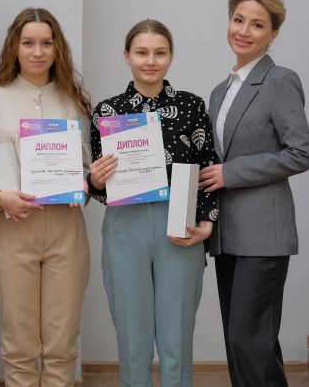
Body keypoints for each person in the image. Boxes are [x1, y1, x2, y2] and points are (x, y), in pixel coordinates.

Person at [0, 8, 91, 387]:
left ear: (57, 48)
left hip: (67, 233)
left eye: (46, 43)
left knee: (62, 344)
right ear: (14, 47)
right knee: (19, 346)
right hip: (15, 232)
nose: (38, 52)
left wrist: (85, 182)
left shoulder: (74, 101)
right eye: (28, 43)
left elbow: (88, 166)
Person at [88, 19, 218, 387]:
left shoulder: (191, 106)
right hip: (125, 224)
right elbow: (98, 184)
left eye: (160, 52)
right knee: (133, 337)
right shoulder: (107, 111)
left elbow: (208, 167)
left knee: (177, 336)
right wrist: (95, 180)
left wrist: (207, 222)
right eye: (141, 52)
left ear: (171, 56)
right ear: (126, 56)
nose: (150, 60)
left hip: (180, 221)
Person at [199, 0, 309, 387]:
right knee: (244, 343)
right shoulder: (220, 91)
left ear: (273, 34)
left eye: (257, 24)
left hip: (264, 234)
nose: (244, 31)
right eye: (238, 20)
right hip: (226, 233)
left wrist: (231, 173)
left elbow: (300, 154)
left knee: (247, 340)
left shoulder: (280, 81)